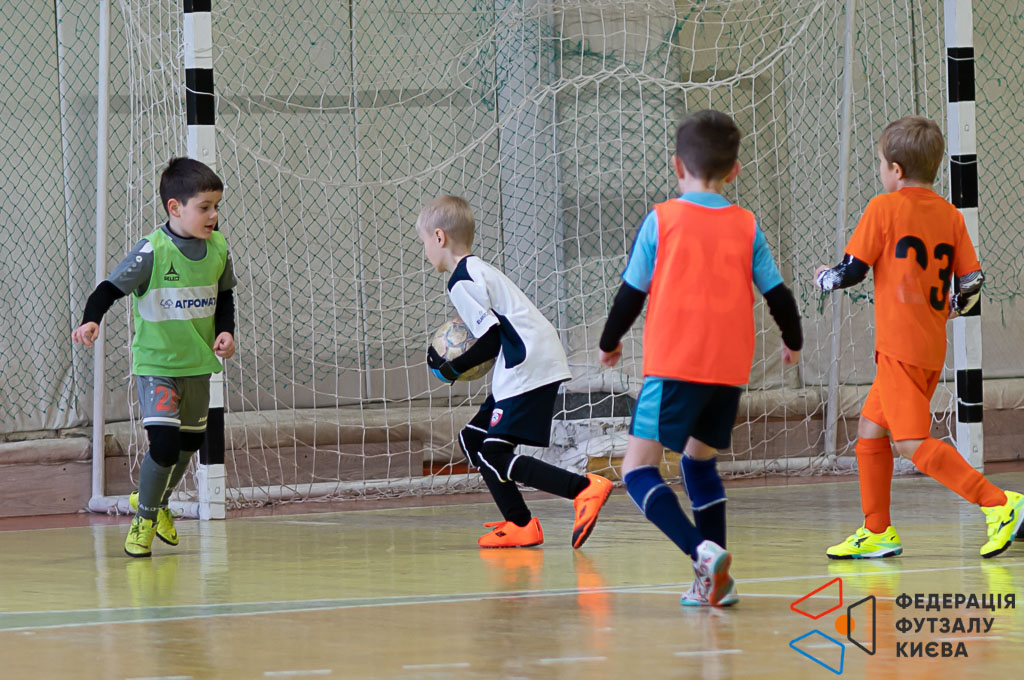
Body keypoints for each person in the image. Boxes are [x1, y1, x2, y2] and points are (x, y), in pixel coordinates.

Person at [598, 109, 804, 606]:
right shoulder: (747, 225)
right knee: (698, 461)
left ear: (677, 166)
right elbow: (779, 295)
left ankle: (701, 552)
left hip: (674, 367)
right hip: (729, 372)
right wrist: (793, 341)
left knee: (637, 470)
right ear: (734, 171)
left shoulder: (662, 220)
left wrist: (609, 342)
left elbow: (630, 294)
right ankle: (718, 583)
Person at [814, 116, 1023, 559]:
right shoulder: (950, 215)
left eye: (880, 163)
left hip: (898, 348)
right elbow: (972, 282)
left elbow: (852, 271)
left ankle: (999, 503)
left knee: (910, 442)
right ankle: (877, 530)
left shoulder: (883, 208)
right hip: (929, 345)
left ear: (895, 169)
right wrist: (949, 308)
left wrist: (823, 278)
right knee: (870, 430)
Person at [418, 195, 613, 549]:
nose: (426, 251)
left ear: (439, 237)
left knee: (494, 453)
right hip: (525, 361)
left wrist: (451, 368)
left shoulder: (460, 280)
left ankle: (583, 489)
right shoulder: (478, 269)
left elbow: (490, 339)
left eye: (424, 243)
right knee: (473, 440)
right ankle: (520, 523)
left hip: (527, 363)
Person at [72, 157, 236, 558]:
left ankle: (153, 500)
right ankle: (144, 519)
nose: (213, 215)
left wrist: (226, 331)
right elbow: (107, 289)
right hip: (157, 365)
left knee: (190, 442)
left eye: (216, 206)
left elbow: (225, 296)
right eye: (204, 207)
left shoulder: (218, 248)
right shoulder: (152, 250)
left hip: (198, 366)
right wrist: (91, 320)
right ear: (175, 207)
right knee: (163, 445)